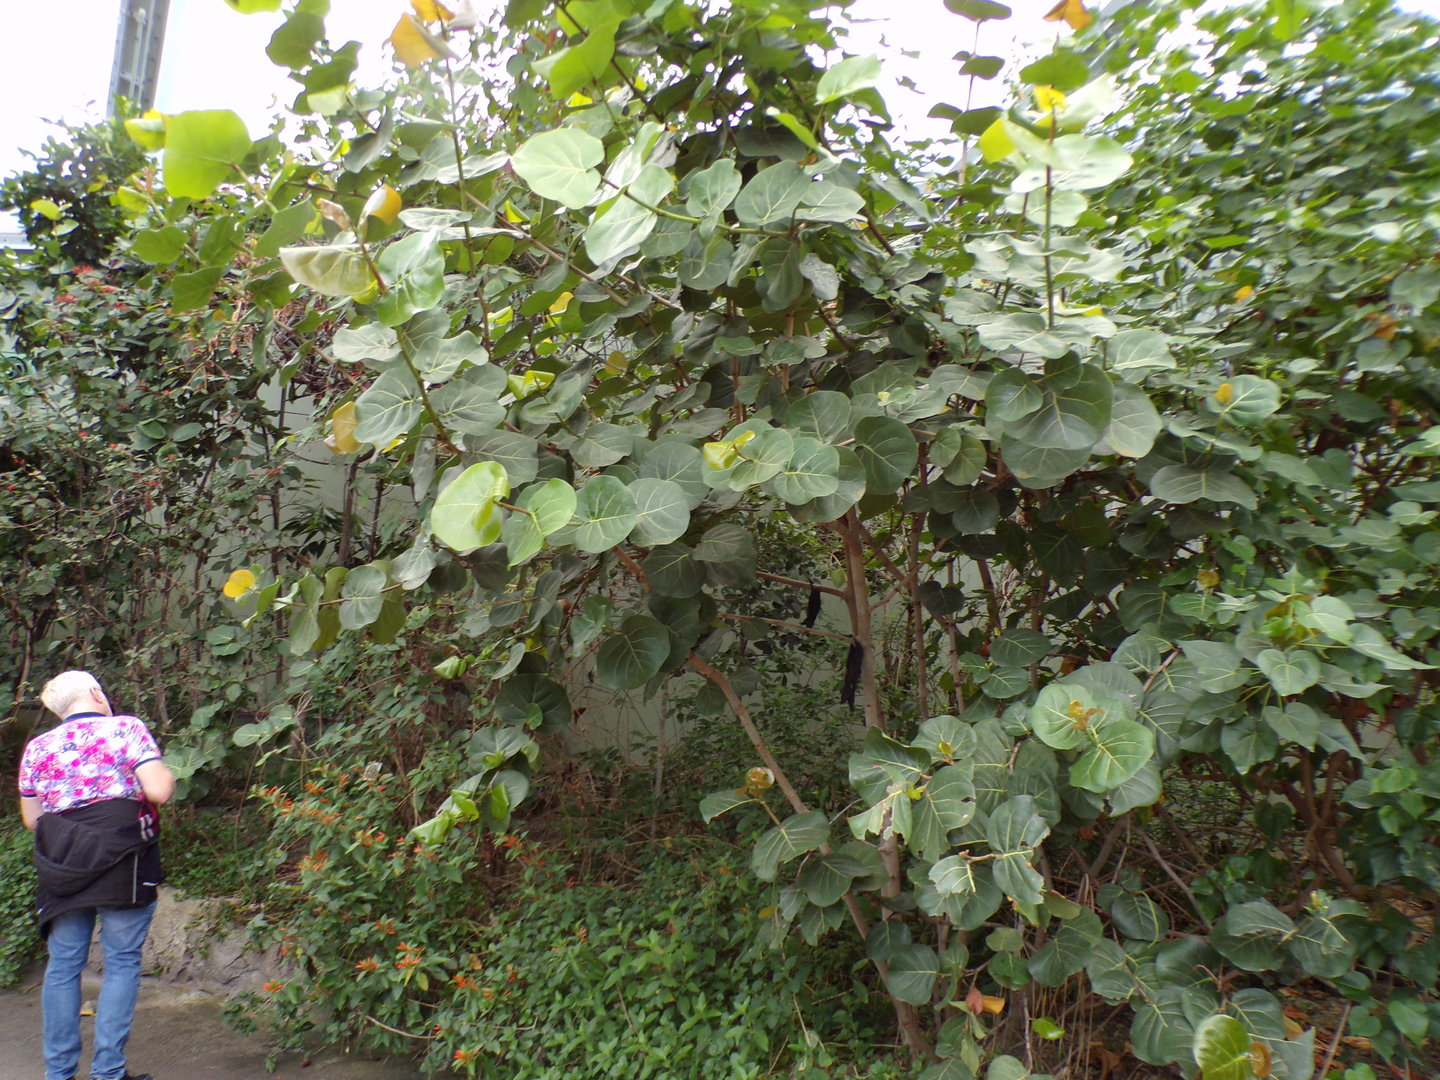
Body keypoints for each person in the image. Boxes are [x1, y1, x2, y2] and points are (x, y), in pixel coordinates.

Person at [17, 670, 175, 1080]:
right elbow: (158, 791)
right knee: (121, 961)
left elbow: (33, 819)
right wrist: (164, 773)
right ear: (94, 693)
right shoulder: (126, 728)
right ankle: (109, 1072)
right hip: (123, 855)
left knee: (64, 964)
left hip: (64, 862)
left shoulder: (37, 748)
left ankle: (59, 1073)